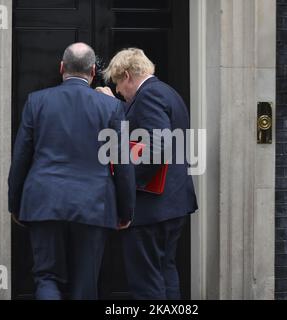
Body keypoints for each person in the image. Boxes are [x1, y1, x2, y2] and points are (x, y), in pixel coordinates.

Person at [8, 43, 136, 300]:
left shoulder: (37, 101)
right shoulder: (111, 108)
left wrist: (16, 203)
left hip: (44, 200)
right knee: (85, 284)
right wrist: (126, 210)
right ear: (92, 71)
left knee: (47, 277)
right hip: (93, 204)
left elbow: (20, 157)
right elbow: (123, 164)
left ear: (62, 68)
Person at [98, 48, 198, 299]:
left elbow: (157, 146)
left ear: (129, 76)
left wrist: (128, 185)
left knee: (146, 282)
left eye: (119, 83)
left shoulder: (150, 95)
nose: (119, 90)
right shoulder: (167, 92)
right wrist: (114, 104)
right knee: (166, 272)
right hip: (173, 205)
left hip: (151, 208)